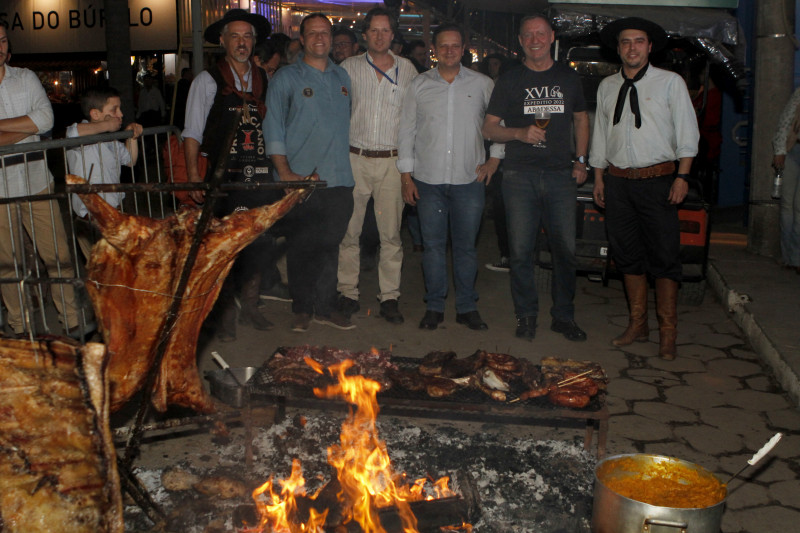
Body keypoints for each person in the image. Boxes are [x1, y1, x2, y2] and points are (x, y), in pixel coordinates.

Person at [590, 17, 699, 361]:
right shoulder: (607, 86)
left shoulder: (670, 83)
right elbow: (600, 136)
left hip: (660, 181)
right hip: (618, 182)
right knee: (626, 255)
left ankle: (668, 333)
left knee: (665, 256)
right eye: (625, 42)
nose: (632, 47)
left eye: (639, 41)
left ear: (650, 47)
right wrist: (598, 178)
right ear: (618, 48)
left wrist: (682, 177)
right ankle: (638, 324)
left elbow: (687, 134)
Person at [482, 14, 589, 342]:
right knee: (521, 251)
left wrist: (582, 160)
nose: (535, 40)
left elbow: (581, 120)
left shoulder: (568, 78)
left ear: (552, 36)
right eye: (528, 35)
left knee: (565, 251)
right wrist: (518, 133)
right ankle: (526, 315)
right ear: (520, 41)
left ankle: (563, 316)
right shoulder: (510, 80)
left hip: (559, 175)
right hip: (519, 176)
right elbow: (488, 127)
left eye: (540, 34)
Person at [398, 22, 500, 331]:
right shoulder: (419, 85)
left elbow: (497, 125)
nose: (449, 50)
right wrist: (406, 176)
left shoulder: (482, 84)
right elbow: (406, 131)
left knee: (466, 248)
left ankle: (467, 307)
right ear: (434, 49)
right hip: (428, 181)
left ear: (463, 48)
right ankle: (435, 305)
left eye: (455, 45)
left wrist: (494, 160)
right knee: (432, 247)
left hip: (469, 180)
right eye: (443, 46)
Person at [183, 8, 277, 342]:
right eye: (234, 36)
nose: (241, 42)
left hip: (256, 173)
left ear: (254, 42)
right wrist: (194, 174)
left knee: (257, 240)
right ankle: (223, 315)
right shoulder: (207, 80)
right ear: (222, 41)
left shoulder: (263, 77)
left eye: (247, 36)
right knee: (222, 246)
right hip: (222, 176)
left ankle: (251, 306)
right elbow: (192, 132)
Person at [265, 12, 355, 332]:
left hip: (340, 179)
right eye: (313, 33)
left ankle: (326, 306)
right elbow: (273, 127)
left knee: (330, 245)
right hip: (300, 180)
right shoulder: (286, 79)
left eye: (326, 33)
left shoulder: (342, 78)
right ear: (301, 39)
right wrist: (285, 173)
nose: (320, 38)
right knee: (302, 245)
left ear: (332, 38)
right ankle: (302, 307)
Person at [0, 25, 84, 335]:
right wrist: (27, 126)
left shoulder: (25, 77)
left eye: (3, 40)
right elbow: (36, 124)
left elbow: (47, 120)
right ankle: (20, 327)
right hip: (0, 188)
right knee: (8, 263)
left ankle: (73, 322)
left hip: (37, 181)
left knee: (59, 255)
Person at [336, 7, 418, 325]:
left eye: (386, 30)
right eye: (374, 30)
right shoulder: (348, 68)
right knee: (349, 231)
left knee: (391, 235)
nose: (380, 35)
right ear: (365, 34)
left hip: (392, 162)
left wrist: (410, 168)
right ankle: (347, 294)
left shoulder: (409, 70)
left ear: (393, 35)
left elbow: (414, 121)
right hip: (354, 157)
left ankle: (390, 298)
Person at [66, 86, 143, 259]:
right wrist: (107, 125)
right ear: (95, 114)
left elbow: (130, 160)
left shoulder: (112, 140)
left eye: (120, 109)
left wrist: (133, 137)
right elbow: (72, 133)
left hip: (112, 213)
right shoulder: (82, 134)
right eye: (114, 109)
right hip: (91, 218)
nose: (120, 114)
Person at [772, 86, 800, 273]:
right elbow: (785, 120)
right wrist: (779, 151)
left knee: (799, 207)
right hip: (793, 149)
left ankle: (797, 259)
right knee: (788, 205)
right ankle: (788, 257)